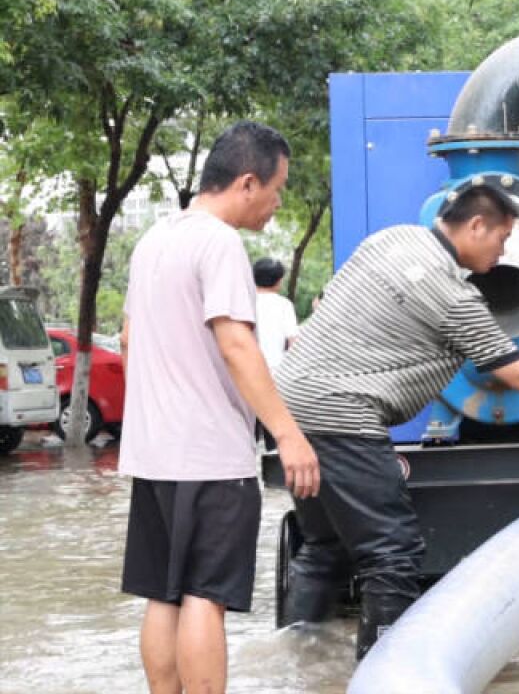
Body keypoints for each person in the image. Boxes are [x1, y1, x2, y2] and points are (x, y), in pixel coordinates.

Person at [275, 178, 519, 659]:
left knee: (324, 547)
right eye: (504, 240)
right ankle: (384, 677)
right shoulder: (451, 296)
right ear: (477, 224)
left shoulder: (388, 238)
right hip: (341, 418)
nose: (504, 254)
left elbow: (328, 308)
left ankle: (295, 663)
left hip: (292, 406)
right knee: (394, 554)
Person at [118, 121, 321, 694]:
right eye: (277, 190)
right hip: (209, 455)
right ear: (248, 182)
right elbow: (236, 344)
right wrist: (288, 433)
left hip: (154, 451)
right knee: (206, 594)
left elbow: (130, 339)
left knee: (163, 592)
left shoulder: (153, 240)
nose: (277, 205)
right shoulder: (220, 242)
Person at [252, 257, 299, 373]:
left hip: (248, 369)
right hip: (276, 369)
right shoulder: (285, 305)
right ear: (279, 281)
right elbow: (294, 341)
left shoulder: (245, 302)